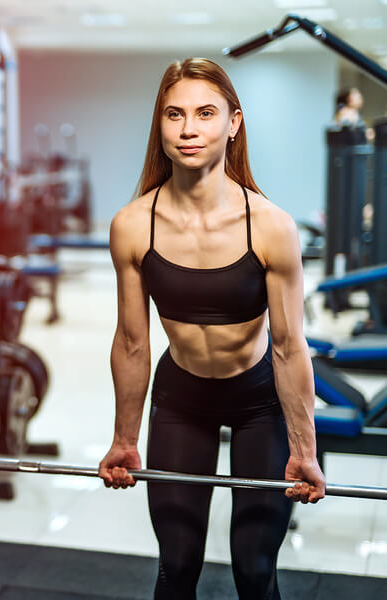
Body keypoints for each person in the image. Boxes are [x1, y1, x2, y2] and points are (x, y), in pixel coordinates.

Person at [98, 57, 325, 600]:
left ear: (233, 123)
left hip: (259, 402)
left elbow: (289, 347)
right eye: (174, 114)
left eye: (205, 113)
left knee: (255, 569)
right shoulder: (133, 224)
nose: (188, 129)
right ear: (160, 125)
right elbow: (132, 342)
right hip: (182, 399)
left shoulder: (270, 226)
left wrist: (304, 447)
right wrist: (124, 439)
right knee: (176, 566)